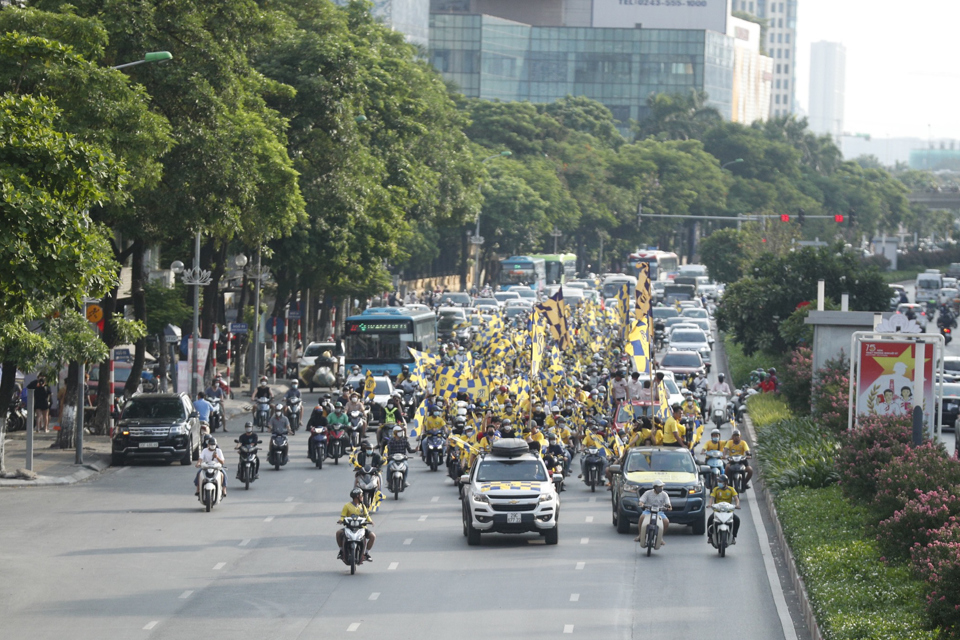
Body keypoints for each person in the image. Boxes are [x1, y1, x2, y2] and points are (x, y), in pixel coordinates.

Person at [336, 488, 375, 563]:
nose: (362, 497)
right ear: (357, 496)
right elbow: (343, 516)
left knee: (373, 536)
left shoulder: (363, 506)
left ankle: (366, 553)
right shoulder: (347, 506)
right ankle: (341, 551)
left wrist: (370, 521)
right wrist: (341, 520)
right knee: (338, 533)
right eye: (361, 495)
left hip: (361, 528)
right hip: (350, 528)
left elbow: (367, 516)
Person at [706, 474, 741, 545]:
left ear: (725, 482)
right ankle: (709, 537)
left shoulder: (731, 489)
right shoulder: (716, 489)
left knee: (737, 520)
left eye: (720, 481)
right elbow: (711, 498)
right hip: (718, 510)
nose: (719, 483)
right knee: (710, 519)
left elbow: (736, 498)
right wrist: (710, 504)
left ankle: (734, 536)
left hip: (728, 511)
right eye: (718, 481)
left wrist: (737, 505)